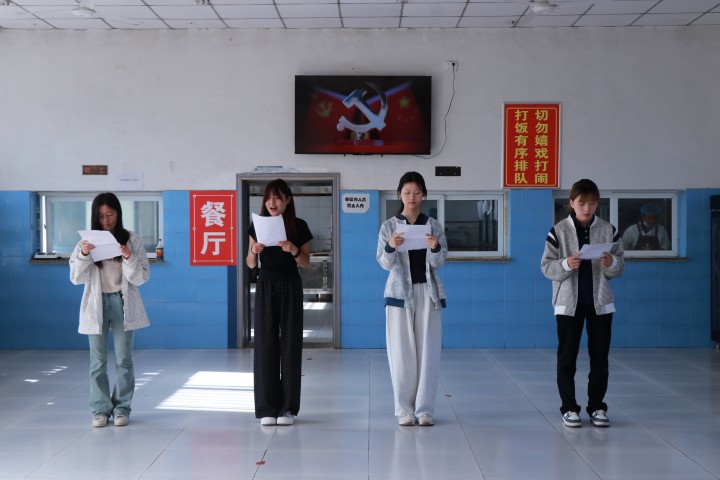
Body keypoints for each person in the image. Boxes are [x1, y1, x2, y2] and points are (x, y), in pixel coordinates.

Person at [540, 179, 624, 428]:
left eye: (592, 203)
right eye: (582, 203)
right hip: (568, 305)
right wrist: (566, 264)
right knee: (567, 358)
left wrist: (611, 263)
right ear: (572, 203)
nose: (587, 208)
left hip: (600, 304)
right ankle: (569, 408)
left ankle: (597, 407)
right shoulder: (558, 231)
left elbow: (619, 265)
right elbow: (546, 267)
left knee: (600, 358)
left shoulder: (608, 230)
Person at [69, 192, 150, 428]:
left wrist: (128, 256)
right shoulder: (86, 242)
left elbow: (141, 277)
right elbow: (76, 278)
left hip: (123, 303)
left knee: (124, 359)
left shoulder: (131, 239)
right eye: (101, 216)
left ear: (118, 214)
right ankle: (100, 410)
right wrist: (84, 254)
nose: (106, 220)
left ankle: (122, 409)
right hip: (96, 305)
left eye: (110, 214)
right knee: (97, 362)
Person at [377, 171, 447, 427]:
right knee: (401, 353)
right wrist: (390, 246)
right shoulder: (389, 226)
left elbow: (440, 262)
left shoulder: (433, 225)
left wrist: (435, 247)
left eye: (417, 192)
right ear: (399, 194)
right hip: (399, 295)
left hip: (428, 293)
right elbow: (384, 263)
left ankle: (424, 409)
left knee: (428, 351)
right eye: (407, 192)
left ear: (424, 195)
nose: (412, 197)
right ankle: (404, 410)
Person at [247, 179, 312, 427]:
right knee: (265, 345)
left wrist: (294, 250)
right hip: (266, 286)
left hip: (290, 286)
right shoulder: (257, 225)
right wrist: (254, 250)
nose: (272, 203)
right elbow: (250, 263)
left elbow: (306, 261)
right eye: (268, 198)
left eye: (277, 198)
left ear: (288, 200)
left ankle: (287, 409)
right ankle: (267, 407)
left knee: (290, 345)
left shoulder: (299, 225)